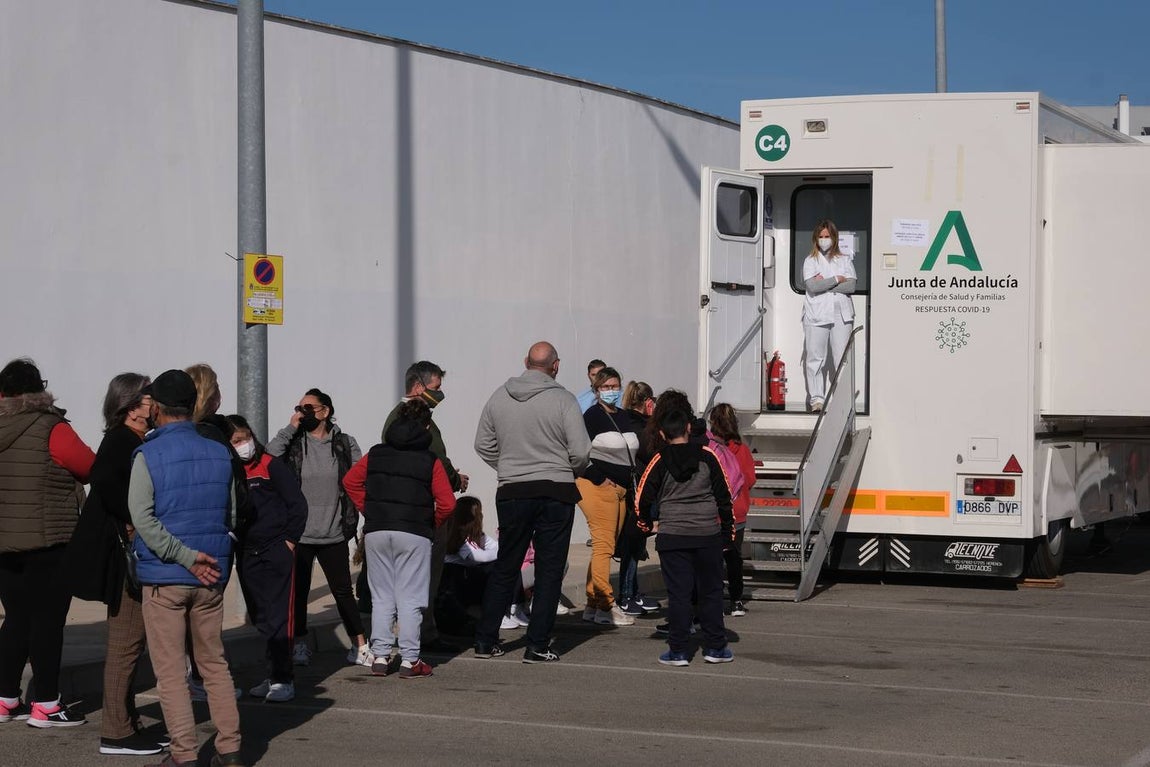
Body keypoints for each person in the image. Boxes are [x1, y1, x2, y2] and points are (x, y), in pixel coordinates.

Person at [127, 369, 243, 767]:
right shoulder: (219, 450)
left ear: (156, 407)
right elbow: (229, 514)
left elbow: (142, 519)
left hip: (167, 575)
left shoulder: (147, 453)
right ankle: (230, 749)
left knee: (172, 674)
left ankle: (184, 754)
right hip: (210, 573)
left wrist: (183, 555)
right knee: (215, 665)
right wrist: (206, 555)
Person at [65, 373, 168, 754]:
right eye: (148, 397)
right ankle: (116, 732)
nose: (153, 402)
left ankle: (127, 723)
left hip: (129, 555)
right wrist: (138, 519)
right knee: (125, 643)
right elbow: (108, 486)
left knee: (132, 643)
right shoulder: (120, 441)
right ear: (131, 405)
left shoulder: (135, 439)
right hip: (123, 559)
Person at [472, 341, 591, 662]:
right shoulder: (564, 400)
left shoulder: (500, 396)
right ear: (556, 366)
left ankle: (485, 640)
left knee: (506, 565)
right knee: (549, 569)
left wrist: (508, 466)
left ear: (526, 362)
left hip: (513, 490)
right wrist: (566, 469)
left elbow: (482, 443)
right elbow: (581, 451)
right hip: (555, 490)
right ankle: (537, 644)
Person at [0, 359, 95, 728]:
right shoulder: (51, 427)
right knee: (48, 622)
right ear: (39, 390)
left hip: (4, 543)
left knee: (16, 619)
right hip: (50, 540)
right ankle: (46, 703)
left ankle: (6, 698)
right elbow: (89, 467)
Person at [342, 399, 456, 679]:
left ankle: (380, 656)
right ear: (427, 426)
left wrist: (368, 508)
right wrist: (431, 523)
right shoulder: (430, 460)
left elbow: (350, 481)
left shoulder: (376, 453)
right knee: (411, 597)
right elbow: (448, 502)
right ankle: (410, 659)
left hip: (378, 528)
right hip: (414, 532)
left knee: (382, 596)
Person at [368, 360, 467, 653]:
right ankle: (421, 640)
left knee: (395, 590)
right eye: (435, 388)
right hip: (419, 513)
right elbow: (433, 458)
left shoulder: (403, 420)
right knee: (420, 582)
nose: (440, 394)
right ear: (418, 387)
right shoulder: (409, 420)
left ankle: (389, 649)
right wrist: (451, 478)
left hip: (396, 514)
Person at [266, 389, 369, 668]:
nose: (303, 412)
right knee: (298, 593)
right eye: (299, 407)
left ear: (325, 411)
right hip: (299, 533)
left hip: (333, 530)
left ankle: (360, 646)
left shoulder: (345, 443)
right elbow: (269, 458)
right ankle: (300, 644)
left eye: (308, 408)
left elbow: (359, 477)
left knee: (343, 591)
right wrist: (290, 427)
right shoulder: (295, 443)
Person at [636, 404, 734, 666]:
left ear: (661, 433)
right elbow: (724, 497)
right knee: (711, 592)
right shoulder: (708, 456)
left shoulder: (658, 460)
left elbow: (642, 498)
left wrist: (647, 526)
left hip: (673, 534)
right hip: (706, 533)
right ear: (689, 428)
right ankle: (715, 647)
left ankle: (678, 650)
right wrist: (727, 534)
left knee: (678, 594)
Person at [227, 415, 307, 703]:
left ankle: (284, 679)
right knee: (261, 617)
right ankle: (272, 675)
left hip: (275, 549)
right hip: (247, 552)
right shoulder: (230, 471)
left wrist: (289, 540)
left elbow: (297, 503)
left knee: (279, 616)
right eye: (236, 441)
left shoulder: (270, 465)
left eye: (245, 437)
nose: (243, 444)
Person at [576, 366, 640, 627]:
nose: (611, 391)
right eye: (606, 387)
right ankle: (606, 605)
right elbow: (578, 452)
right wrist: (599, 478)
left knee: (607, 545)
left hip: (622, 489)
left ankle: (592, 602)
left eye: (615, 386)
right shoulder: (591, 416)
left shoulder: (623, 416)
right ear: (596, 389)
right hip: (598, 487)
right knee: (604, 545)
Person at [707, 403, 757, 617]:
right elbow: (751, 478)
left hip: (715, 512)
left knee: (713, 558)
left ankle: (714, 598)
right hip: (738, 511)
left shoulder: (710, 448)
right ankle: (736, 600)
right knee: (734, 557)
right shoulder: (742, 449)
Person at [802, 219, 856, 412]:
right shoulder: (810, 261)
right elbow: (812, 286)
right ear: (816, 239)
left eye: (828, 236)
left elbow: (851, 285)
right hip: (816, 314)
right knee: (815, 357)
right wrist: (836, 279)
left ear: (834, 238)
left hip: (841, 314)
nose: (824, 240)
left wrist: (825, 282)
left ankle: (842, 400)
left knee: (842, 357)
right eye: (821, 236)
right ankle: (817, 399)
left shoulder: (844, 259)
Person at [616, 380, 659, 616]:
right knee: (633, 545)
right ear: (647, 402)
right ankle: (625, 594)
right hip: (638, 489)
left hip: (639, 488)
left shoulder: (632, 421)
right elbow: (649, 451)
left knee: (636, 544)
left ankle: (633, 591)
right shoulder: (638, 424)